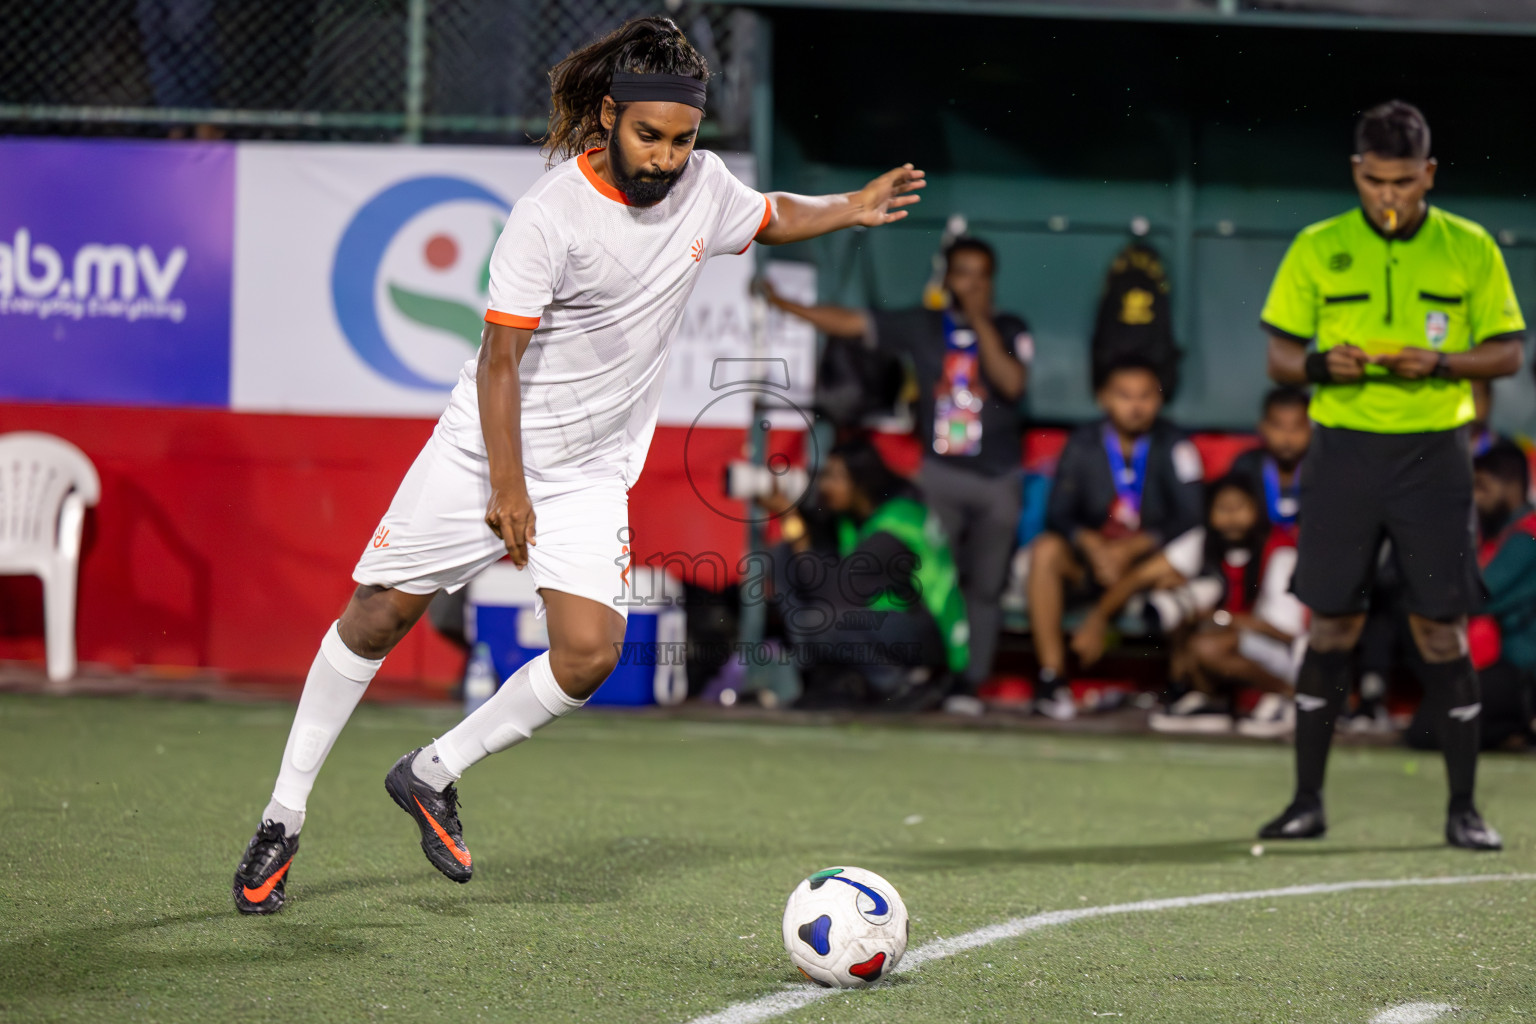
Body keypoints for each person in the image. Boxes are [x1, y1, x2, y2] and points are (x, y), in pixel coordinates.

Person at [231, 16, 928, 914]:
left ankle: (432, 772)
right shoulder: (549, 215)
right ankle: (283, 817)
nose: (668, 157)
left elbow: (769, 215)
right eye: (651, 137)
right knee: (377, 617)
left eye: (682, 140)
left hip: (592, 472)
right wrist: (508, 488)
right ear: (608, 116)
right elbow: (498, 361)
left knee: (591, 655)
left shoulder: (702, 186)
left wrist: (847, 208)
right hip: (487, 451)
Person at [1256, 100, 1525, 849]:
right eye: (1375, 180)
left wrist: (1440, 362)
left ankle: (1464, 809)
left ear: (1428, 174)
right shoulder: (1318, 245)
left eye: (1403, 181)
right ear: (1356, 172)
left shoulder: (1468, 248)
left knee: (1440, 630)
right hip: (1342, 452)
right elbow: (1279, 356)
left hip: (1435, 457)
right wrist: (1319, 364)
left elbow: (1507, 353)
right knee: (1332, 622)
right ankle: (1306, 802)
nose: (1388, 195)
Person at [759, 238, 1031, 697]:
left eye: (981, 275)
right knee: (932, 577)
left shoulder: (1009, 328)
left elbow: (1011, 383)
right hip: (942, 473)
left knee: (986, 586)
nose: (972, 284)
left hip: (997, 477)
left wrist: (981, 319)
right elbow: (853, 324)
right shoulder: (925, 325)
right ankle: (929, 675)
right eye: (963, 273)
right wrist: (787, 306)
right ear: (946, 278)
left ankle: (970, 684)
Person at [1027, 354, 1205, 720]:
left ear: (1159, 399)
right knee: (1045, 551)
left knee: (1186, 561)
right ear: (1103, 399)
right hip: (1095, 565)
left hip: (1146, 570)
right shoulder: (1082, 443)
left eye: (1145, 396)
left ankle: (1181, 686)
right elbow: (1058, 513)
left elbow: (1190, 514)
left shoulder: (1176, 444)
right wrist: (1093, 546)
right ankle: (1051, 680)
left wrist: (1134, 547)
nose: (1136, 406)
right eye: (1124, 395)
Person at [760, 437, 969, 708]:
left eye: (836, 478)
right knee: (781, 557)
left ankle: (897, 684)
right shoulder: (853, 518)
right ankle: (826, 678)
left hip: (925, 630)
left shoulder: (895, 528)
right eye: (824, 476)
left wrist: (792, 521)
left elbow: (834, 596)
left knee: (820, 622)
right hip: (886, 620)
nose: (825, 486)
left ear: (861, 483)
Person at [1407, 441, 1536, 750]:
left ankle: (1521, 722)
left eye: (1482, 487)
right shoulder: (1504, 533)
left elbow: (1475, 596)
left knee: (1428, 731)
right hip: (1504, 670)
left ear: (1510, 485)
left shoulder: (1525, 539)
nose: (1475, 498)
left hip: (1520, 674)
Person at [1229, 386, 1311, 543]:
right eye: (1278, 426)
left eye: (1297, 427)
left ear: (1311, 429)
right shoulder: (1245, 466)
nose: (1287, 437)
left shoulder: (1323, 470)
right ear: (1262, 427)